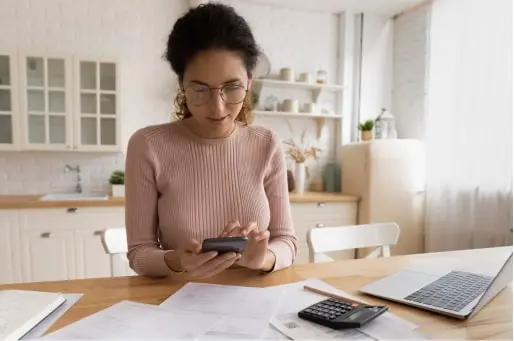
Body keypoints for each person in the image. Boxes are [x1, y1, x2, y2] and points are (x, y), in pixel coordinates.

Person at [124, 3, 297, 279]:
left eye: (231, 87)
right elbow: (139, 253)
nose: (218, 108)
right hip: (178, 303)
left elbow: (286, 241)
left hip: (255, 302)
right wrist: (177, 260)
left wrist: (265, 258)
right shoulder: (148, 145)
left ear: (250, 81)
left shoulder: (267, 143)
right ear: (182, 83)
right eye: (200, 89)